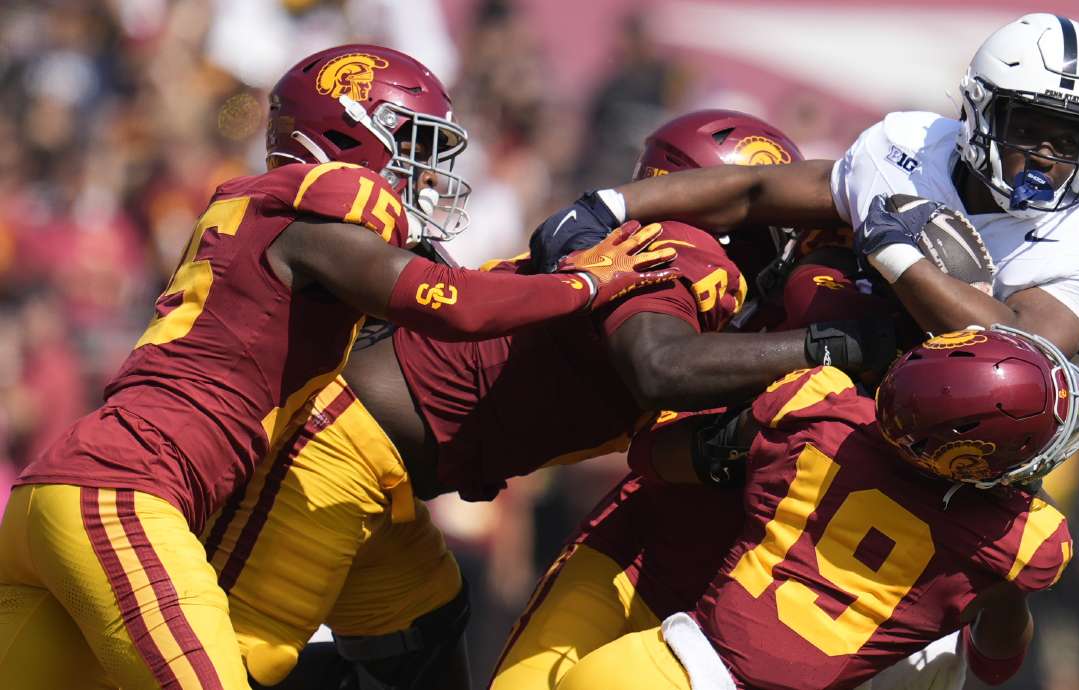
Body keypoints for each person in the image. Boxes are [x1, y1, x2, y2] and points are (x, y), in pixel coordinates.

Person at [0, 44, 680, 690]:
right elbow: (453, 305)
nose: (426, 175)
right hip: (125, 495)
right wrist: (585, 282)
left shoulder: (267, 217)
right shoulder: (316, 221)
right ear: (348, 132)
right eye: (414, 148)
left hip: (56, 493)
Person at [202, 110, 879, 690]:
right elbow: (660, 366)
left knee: (420, 645)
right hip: (338, 454)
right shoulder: (684, 249)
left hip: (386, 472)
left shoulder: (674, 257)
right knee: (228, 660)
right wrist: (837, 347)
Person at [533, 13, 1079, 361]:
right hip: (828, 399)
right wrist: (610, 204)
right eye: (1029, 128)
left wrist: (898, 257)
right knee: (822, 278)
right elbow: (756, 192)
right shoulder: (909, 148)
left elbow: (1017, 351)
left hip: (956, 457)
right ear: (978, 113)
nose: (1048, 155)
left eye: (1071, 138)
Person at [555, 325, 1079, 690]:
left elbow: (655, 458)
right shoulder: (1021, 543)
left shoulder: (818, 406)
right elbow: (995, 664)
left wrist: (725, 454)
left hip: (642, 663)